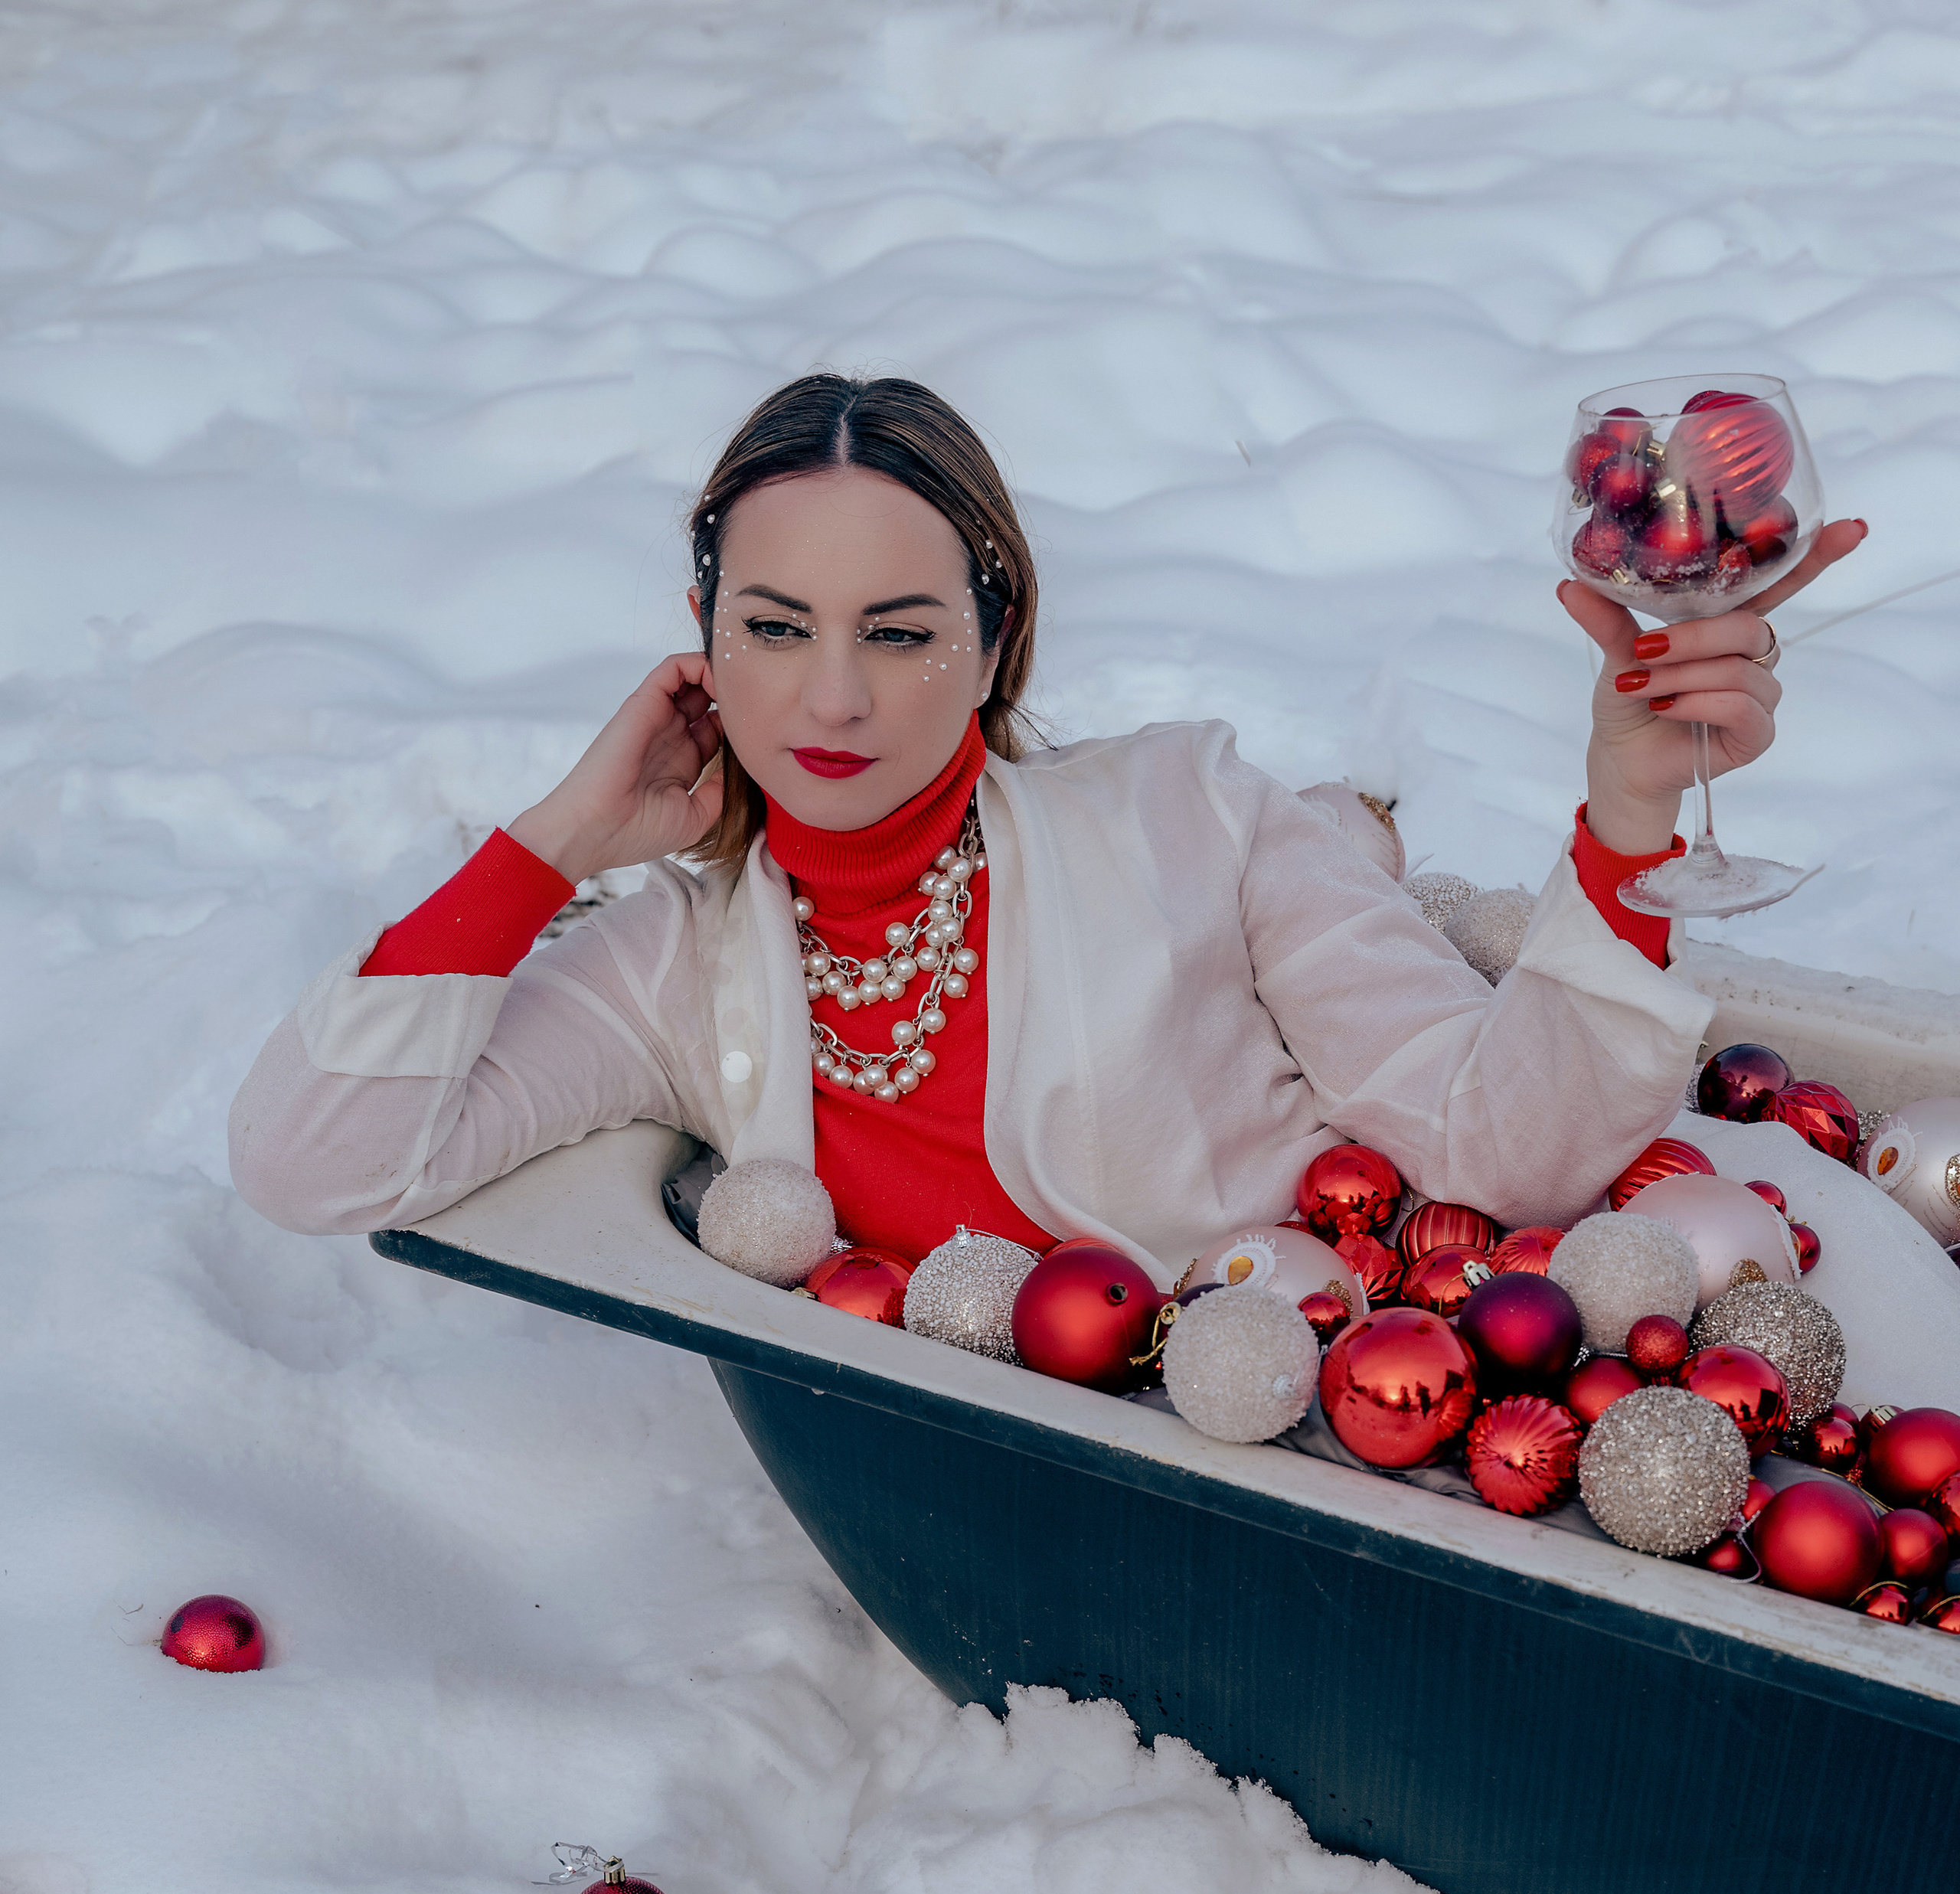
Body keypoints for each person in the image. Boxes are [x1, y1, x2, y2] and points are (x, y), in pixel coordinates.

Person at [228, 373, 1864, 1281]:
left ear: (995, 639)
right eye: (775, 629)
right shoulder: (673, 959)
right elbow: (313, 1164)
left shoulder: (1186, 817)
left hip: (1391, 1413)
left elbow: (1503, 1151)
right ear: (700, 633)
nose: (831, 707)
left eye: (899, 632)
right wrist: (558, 841)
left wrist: (1633, 809)